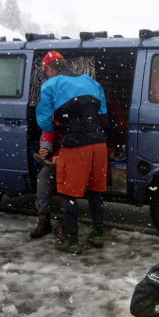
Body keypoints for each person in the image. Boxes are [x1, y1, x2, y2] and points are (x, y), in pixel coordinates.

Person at [36, 51, 108, 254]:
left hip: (76, 146)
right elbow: (103, 116)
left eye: (46, 71)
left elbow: (44, 122)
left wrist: (61, 124)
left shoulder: (50, 85)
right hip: (99, 145)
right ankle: (98, 234)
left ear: (50, 69)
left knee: (68, 192)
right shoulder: (89, 81)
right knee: (95, 191)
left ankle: (72, 240)